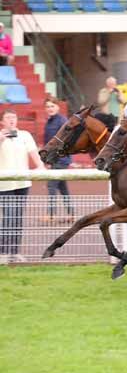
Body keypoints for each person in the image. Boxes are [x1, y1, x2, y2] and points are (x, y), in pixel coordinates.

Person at [0, 109, 45, 264]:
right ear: (3, 121)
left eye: (14, 117)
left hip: (23, 182)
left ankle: (15, 252)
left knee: (18, 217)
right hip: (5, 184)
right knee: (9, 217)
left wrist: (40, 166)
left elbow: (33, 153)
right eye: (8, 117)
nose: (12, 120)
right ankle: (3, 252)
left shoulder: (25, 135)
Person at [43, 97, 74, 224]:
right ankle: (71, 214)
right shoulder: (49, 121)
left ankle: (51, 215)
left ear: (58, 107)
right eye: (48, 106)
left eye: (52, 106)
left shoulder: (62, 121)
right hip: (54, 159)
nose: (50, 109)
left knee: (51, 185)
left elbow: (66, 139)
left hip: (60, 159)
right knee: (62, 187)